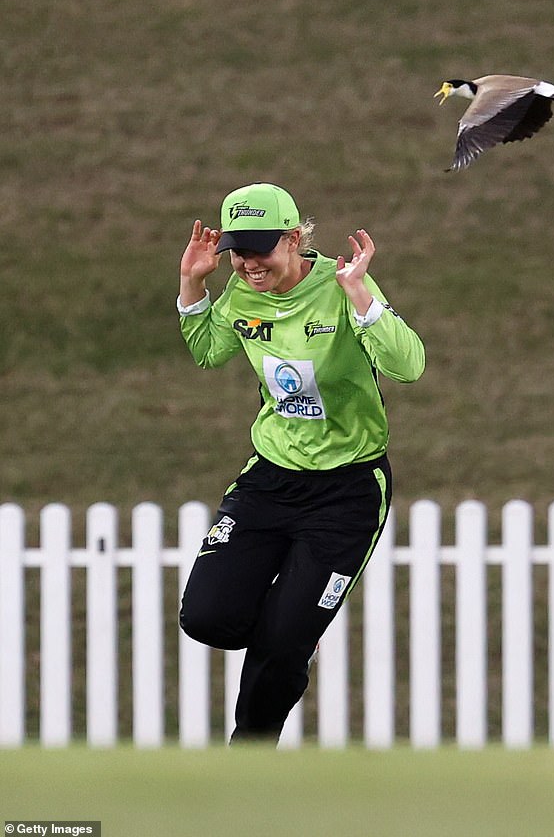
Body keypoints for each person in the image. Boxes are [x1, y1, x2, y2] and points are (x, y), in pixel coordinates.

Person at [177, 181, 424, 743]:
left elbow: (409, 366)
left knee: (282, 643)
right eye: (237, 251)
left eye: (261, 248)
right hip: (270, 479)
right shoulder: (240, 293)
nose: (248, 263)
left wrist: (362, 297)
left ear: (293, 238)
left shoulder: (341, 285)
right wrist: (193, 288)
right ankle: (294, 626)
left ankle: (249, 760)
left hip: (348, 491)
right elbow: (208, 353)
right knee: (207, 617)